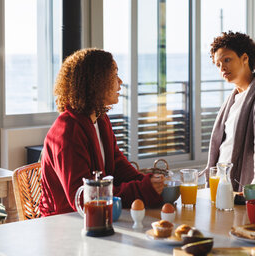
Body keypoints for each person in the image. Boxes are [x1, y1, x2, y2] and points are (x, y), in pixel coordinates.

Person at [40, 48, 164, 216]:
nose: (120, 81)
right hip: (65, 223)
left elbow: (117, 164)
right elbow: (84, 197)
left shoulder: (100, 119)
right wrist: (142, 189)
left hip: (97, 217)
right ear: (96, 83)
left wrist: (147, 182)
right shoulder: (66, 131)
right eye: (114, 75)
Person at [204, 31, 255, 190]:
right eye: (218, 64)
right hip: (221, 187)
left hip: (243, 191)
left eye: (227, 60)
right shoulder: (231, 101)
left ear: (245, 58)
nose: (222, 67)